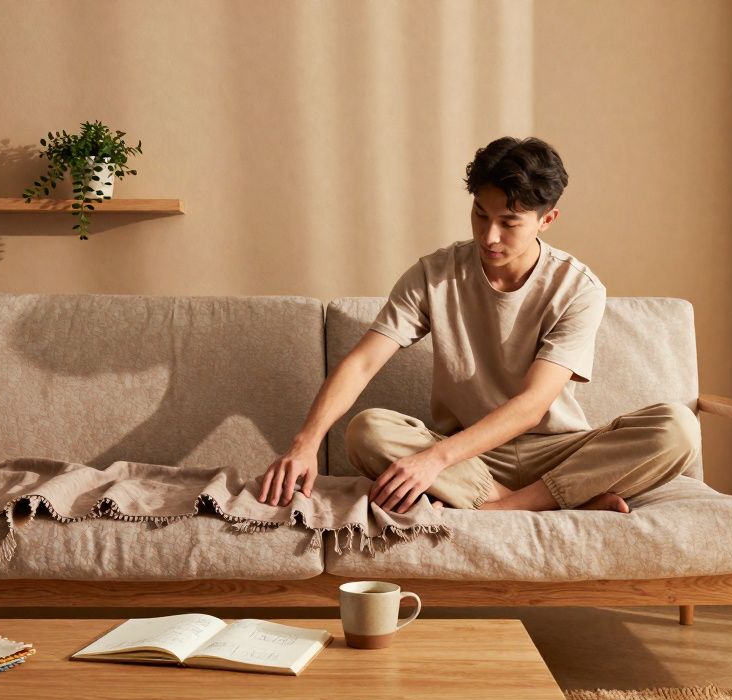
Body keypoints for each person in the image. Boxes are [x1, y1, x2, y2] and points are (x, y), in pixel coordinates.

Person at [257, 136, 700, 513]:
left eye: (509, 223)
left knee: (677, 428)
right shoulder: (435, 275)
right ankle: (562, 505)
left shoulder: (578, 288)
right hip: (471, 459)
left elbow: (532, 405)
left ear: (547, 220)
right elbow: (362, 363)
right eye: (480, 215)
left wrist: (434, 461)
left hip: (557, 451)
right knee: (367, 430)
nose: (489, 236)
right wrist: (305, 443)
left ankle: (501, 509)